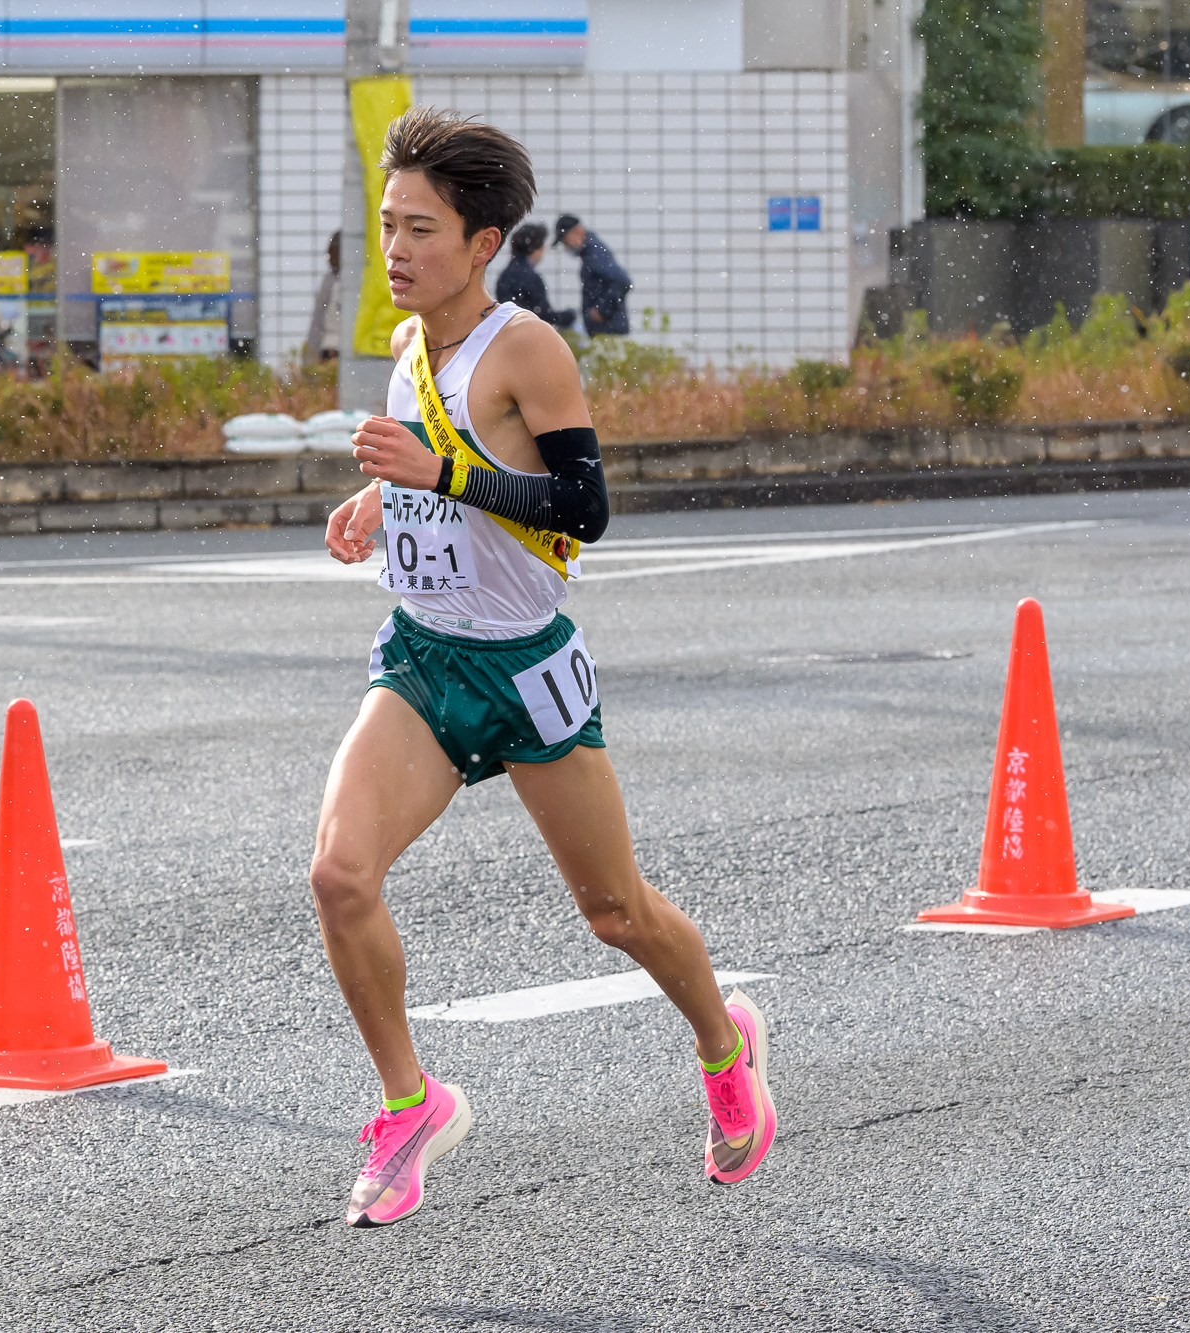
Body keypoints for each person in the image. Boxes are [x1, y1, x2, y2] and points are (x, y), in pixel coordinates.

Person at [316, 106, 777, 1229]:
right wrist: (383, 499)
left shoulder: (524, 345)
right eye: (386, 225)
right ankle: (409, 1102)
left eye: (419, 229)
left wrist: (434, 470)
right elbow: (445, 472)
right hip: (423, 658)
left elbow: (582, 506)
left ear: (481, 244)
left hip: (525, 672)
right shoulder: (406, 345)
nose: (395, 249)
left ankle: (724, 1045)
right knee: (339, 875)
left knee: (614, 910)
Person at [555, 213, 632, 337]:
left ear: (577, 232)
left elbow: (623, 281)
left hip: (608, 330)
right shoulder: (592, 252)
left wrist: (601, 310)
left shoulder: (594, 254)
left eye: (565, 240)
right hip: (607, 329)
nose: (566, 246)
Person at [492, 222, 574, 330]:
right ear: (535, 249)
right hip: (528, 334)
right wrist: (569, 315)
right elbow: (543, 316)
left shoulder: (504, 275)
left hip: (508, 332)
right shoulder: (531, 277)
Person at [305, 230, 343, 363]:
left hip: (332, 346)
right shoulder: (331, 280)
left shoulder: (332, 281)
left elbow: (318, 319)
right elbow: (319, 318)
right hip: (333, 346)